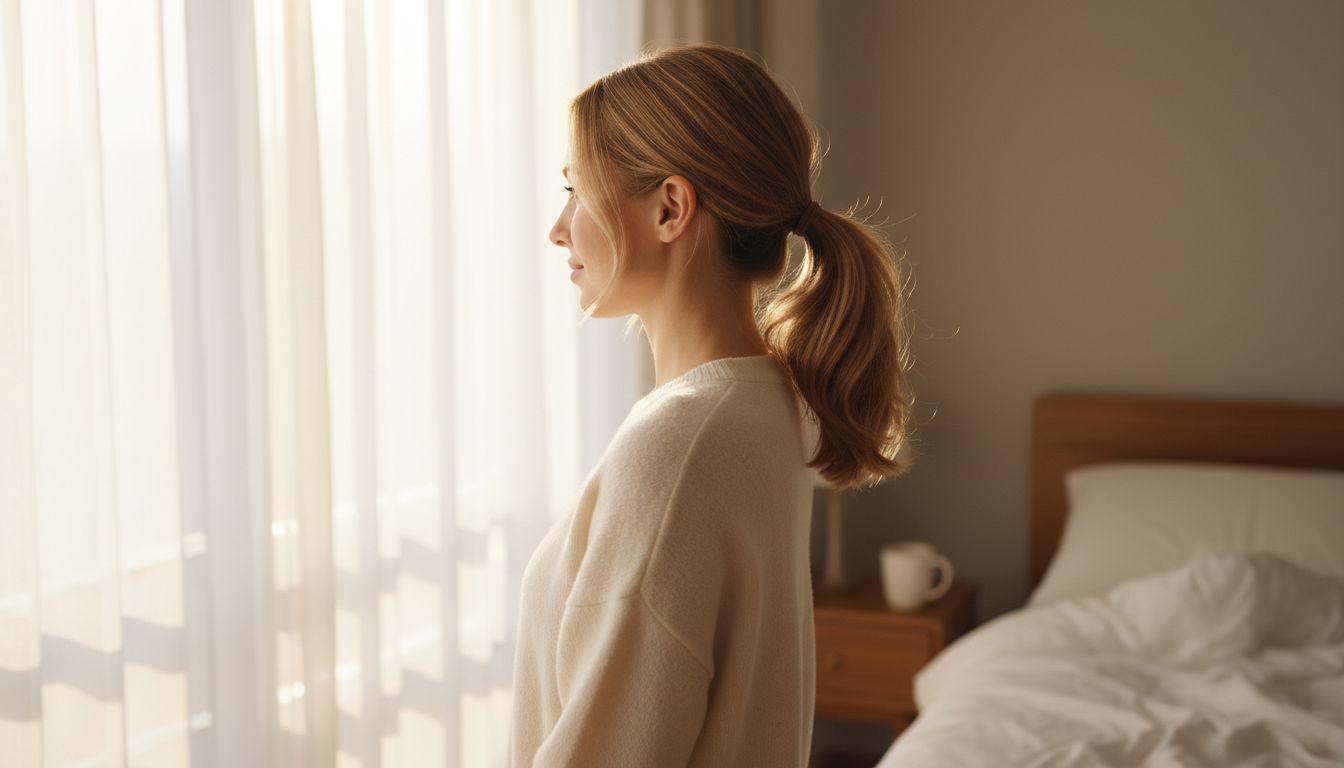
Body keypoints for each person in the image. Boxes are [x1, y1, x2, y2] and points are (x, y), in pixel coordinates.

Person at [510, 43, 911, 767]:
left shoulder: (677, 446)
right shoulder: (767, 407)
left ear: (670, 207)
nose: (559, 227)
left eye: (576, 189)